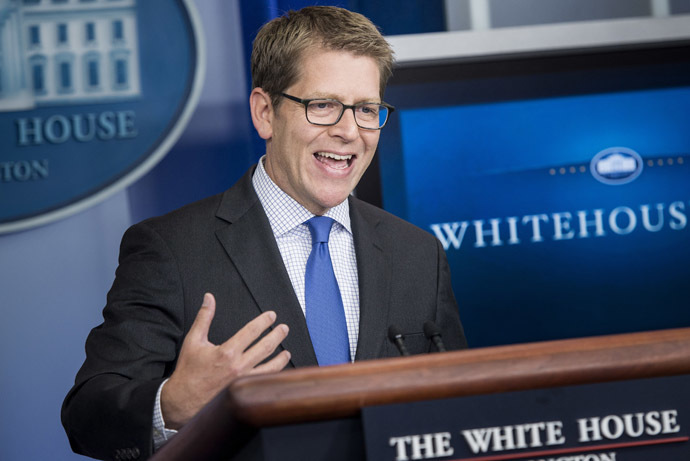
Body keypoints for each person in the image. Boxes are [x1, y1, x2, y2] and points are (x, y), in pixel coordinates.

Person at [62, 5, 466, 460]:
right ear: (265, 113)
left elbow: (457, 414)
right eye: (324, 106)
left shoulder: (417, 253)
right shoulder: (171, 250)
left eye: (366, 109)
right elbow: (87, 417)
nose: (350, 131)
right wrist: (172, 403)